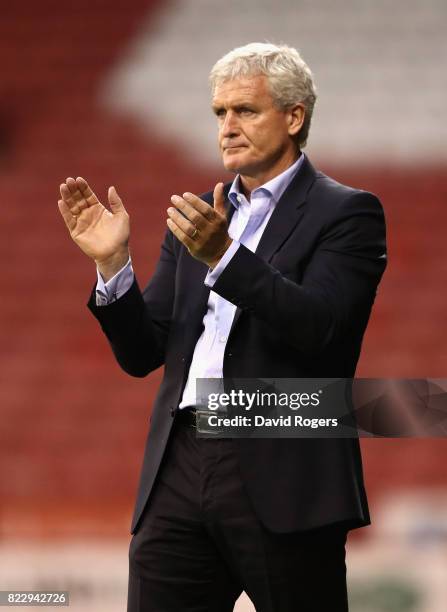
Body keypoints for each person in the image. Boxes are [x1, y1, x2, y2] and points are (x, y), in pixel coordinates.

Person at [58, 42, 387, 612]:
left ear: (294, 116)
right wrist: (113, 265)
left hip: (282, 460)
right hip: (180, 463)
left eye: (245, 111)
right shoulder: (197, 220)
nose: (227, 127)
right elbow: (143, 352)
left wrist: (226, 258)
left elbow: (322, 327)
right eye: (219, 113)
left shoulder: (348, 213)